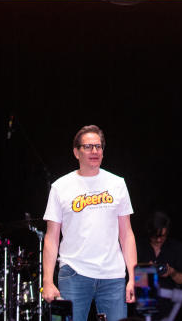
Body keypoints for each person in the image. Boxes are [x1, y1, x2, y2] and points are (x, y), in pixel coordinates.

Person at [42, 125, 137, 321]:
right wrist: (48, 281)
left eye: (98, 146)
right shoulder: (60, 187)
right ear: (76, 152)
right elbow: (51, 237)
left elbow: (126, 233)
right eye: (88, 147)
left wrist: (134, 277)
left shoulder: (117, 183)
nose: (94, 151)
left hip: (113, 275)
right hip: (74, 273)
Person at [136, 211, 182, 320]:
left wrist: (171, 272)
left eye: (162, 236)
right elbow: (127, 278)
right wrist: (144, 270)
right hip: (141, 309)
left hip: (168, 310)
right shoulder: (139, 247)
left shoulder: (176, 248)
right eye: (155, 236)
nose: (159, 240)